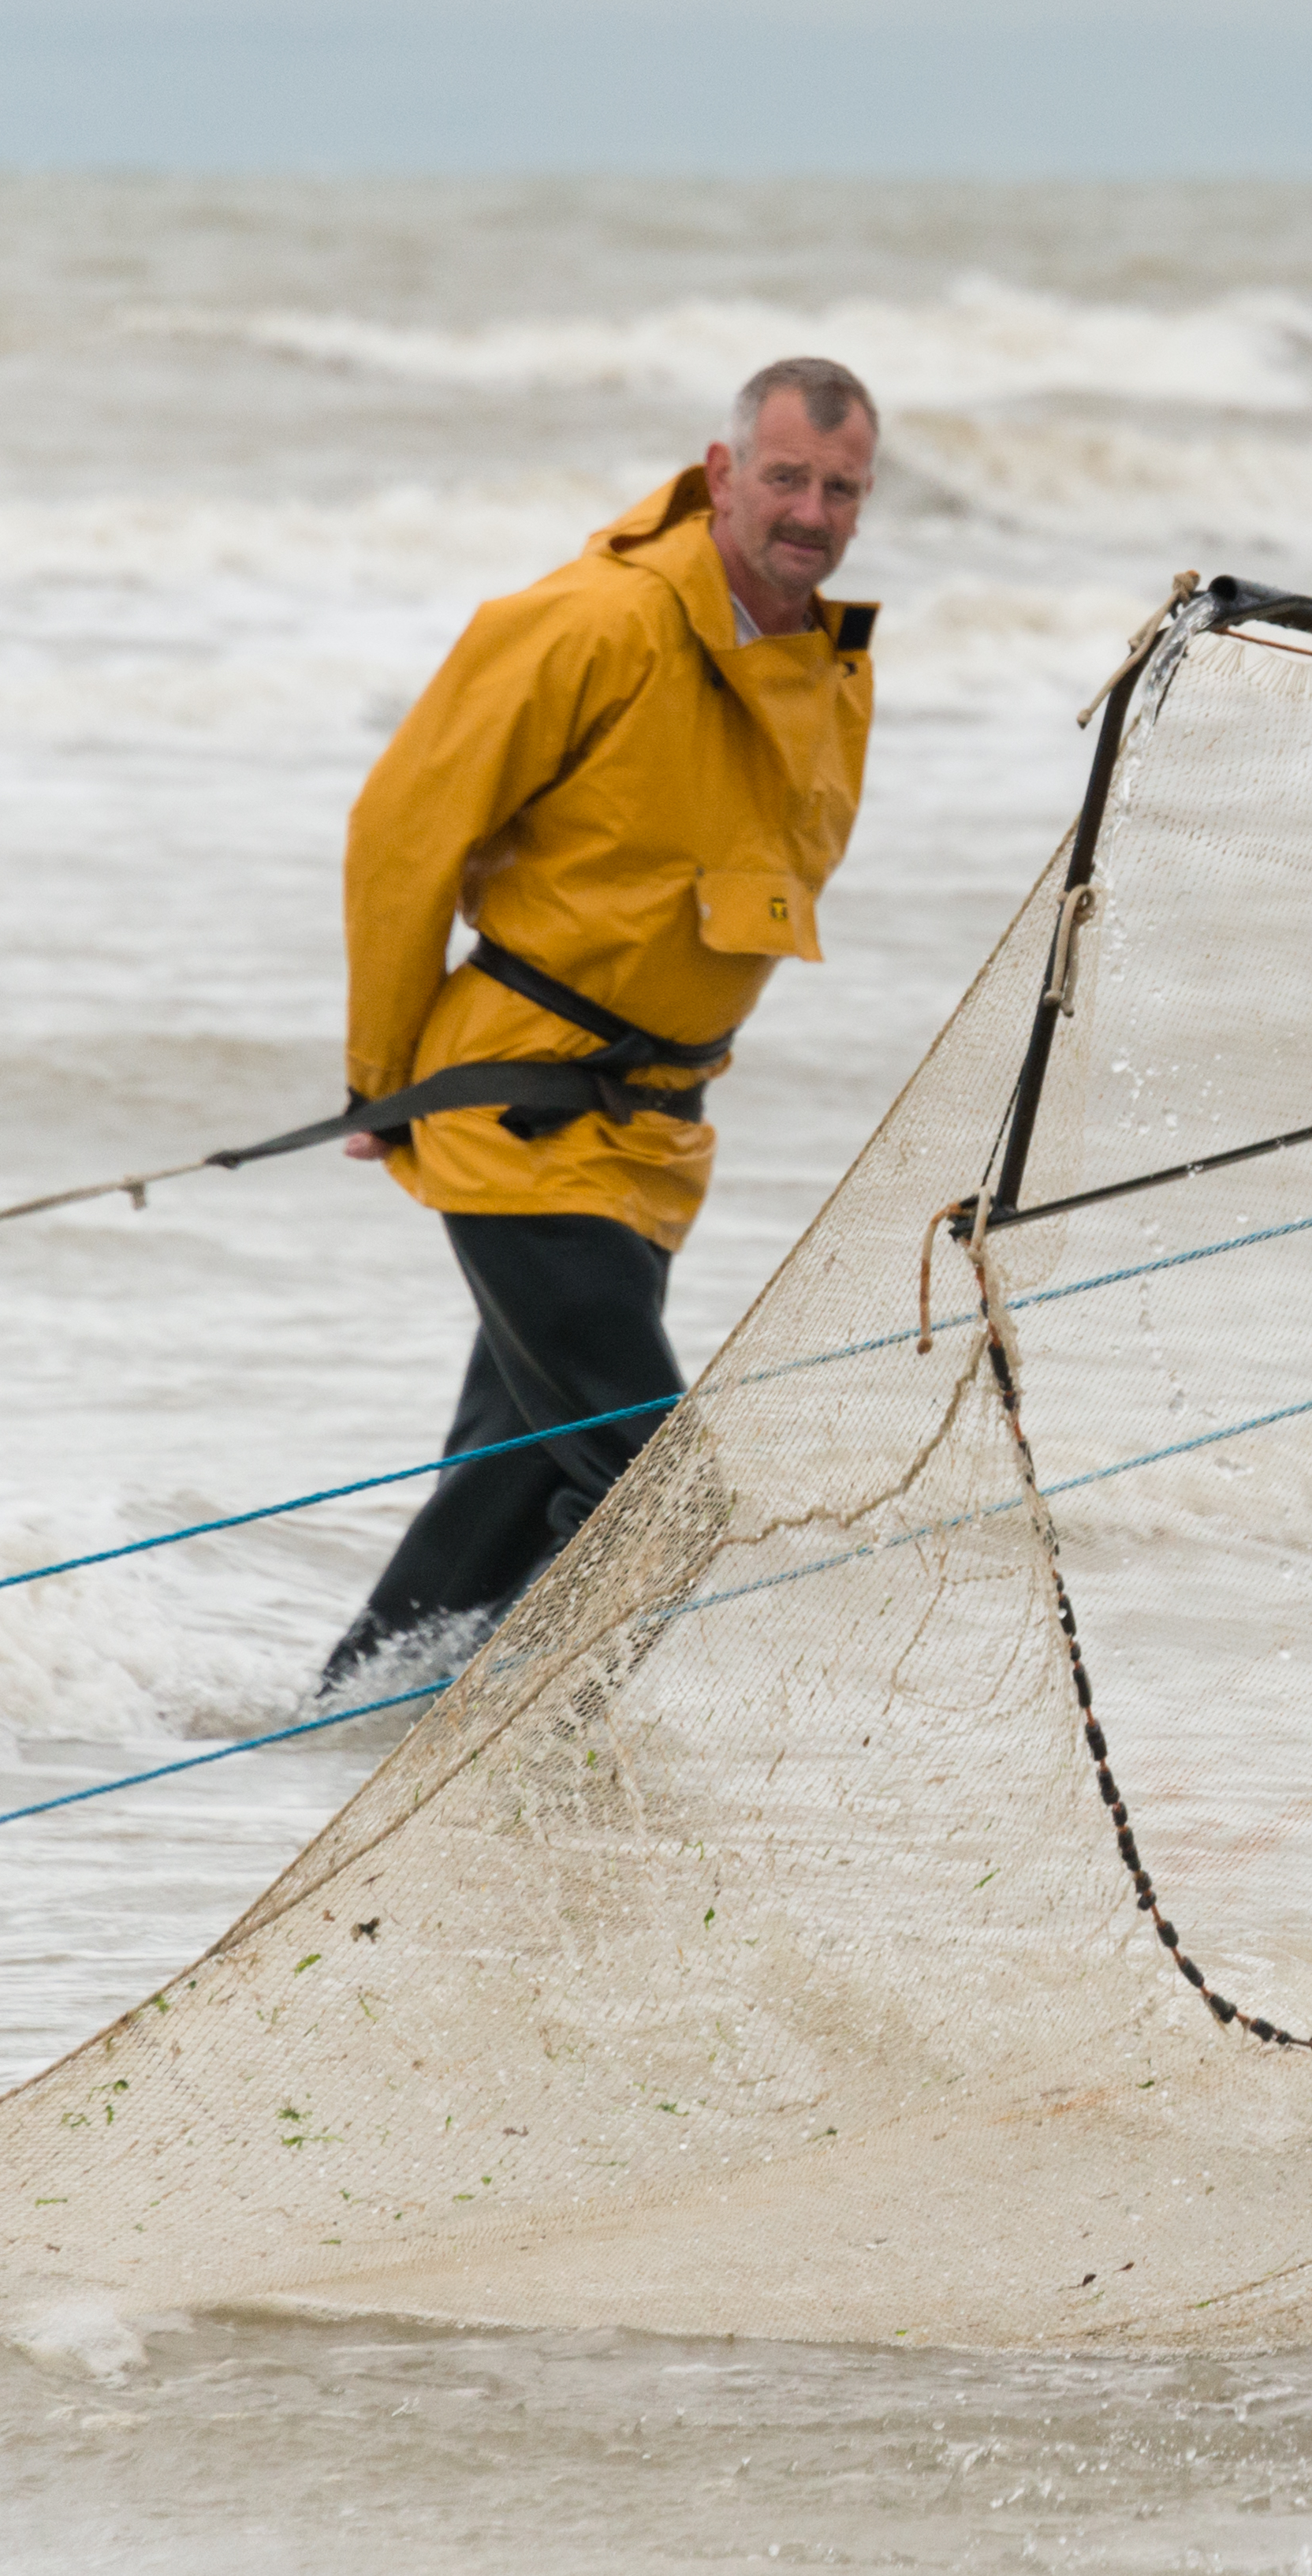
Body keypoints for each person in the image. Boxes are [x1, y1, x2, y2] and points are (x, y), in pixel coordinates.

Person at [310, 361, 882, 1697]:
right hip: (516, 1116)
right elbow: (403, 834)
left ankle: (351, 1735)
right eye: (786, 476)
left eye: (840, 488)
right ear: (723, 471)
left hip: (647, 1140)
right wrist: (379, 1079)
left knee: (508, 1489)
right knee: (658, 1496)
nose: (810, 510)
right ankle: (536, 1748)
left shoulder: (828, 667)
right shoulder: (588, 624)